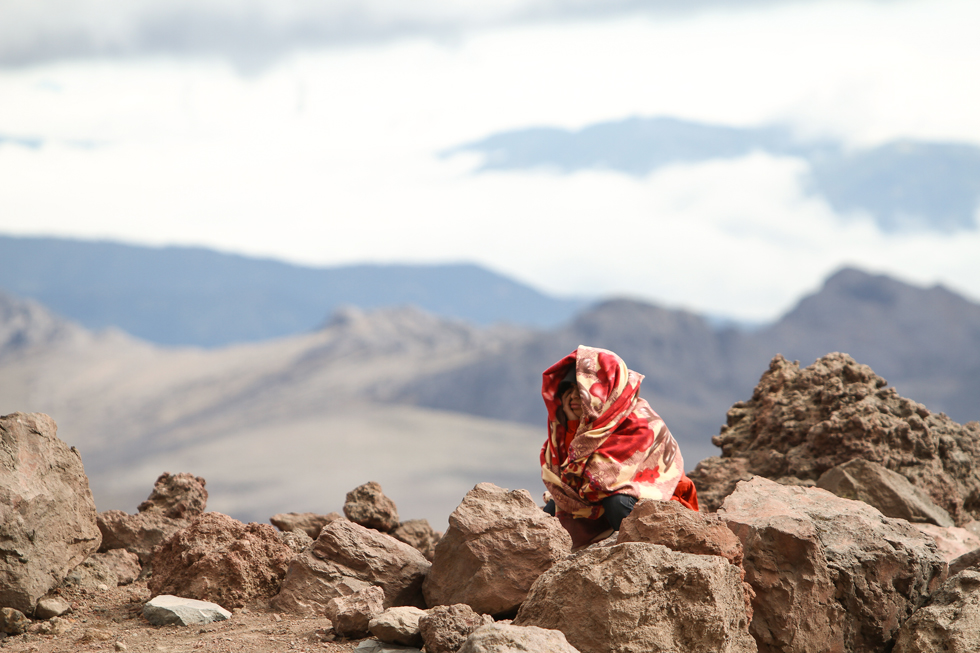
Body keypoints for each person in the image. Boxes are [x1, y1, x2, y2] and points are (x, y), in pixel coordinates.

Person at [540, 345, 698, 550]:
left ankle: (645, 558)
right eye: (567, 391)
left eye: (582, 390)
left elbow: (603, 480)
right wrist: (571, 425)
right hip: (597, 498)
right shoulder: (571, 431)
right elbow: (569, 480)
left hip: (659, 505)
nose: (574, 397)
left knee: (617, 503)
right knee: (553, 510)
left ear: (607, 390)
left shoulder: (641, 423)